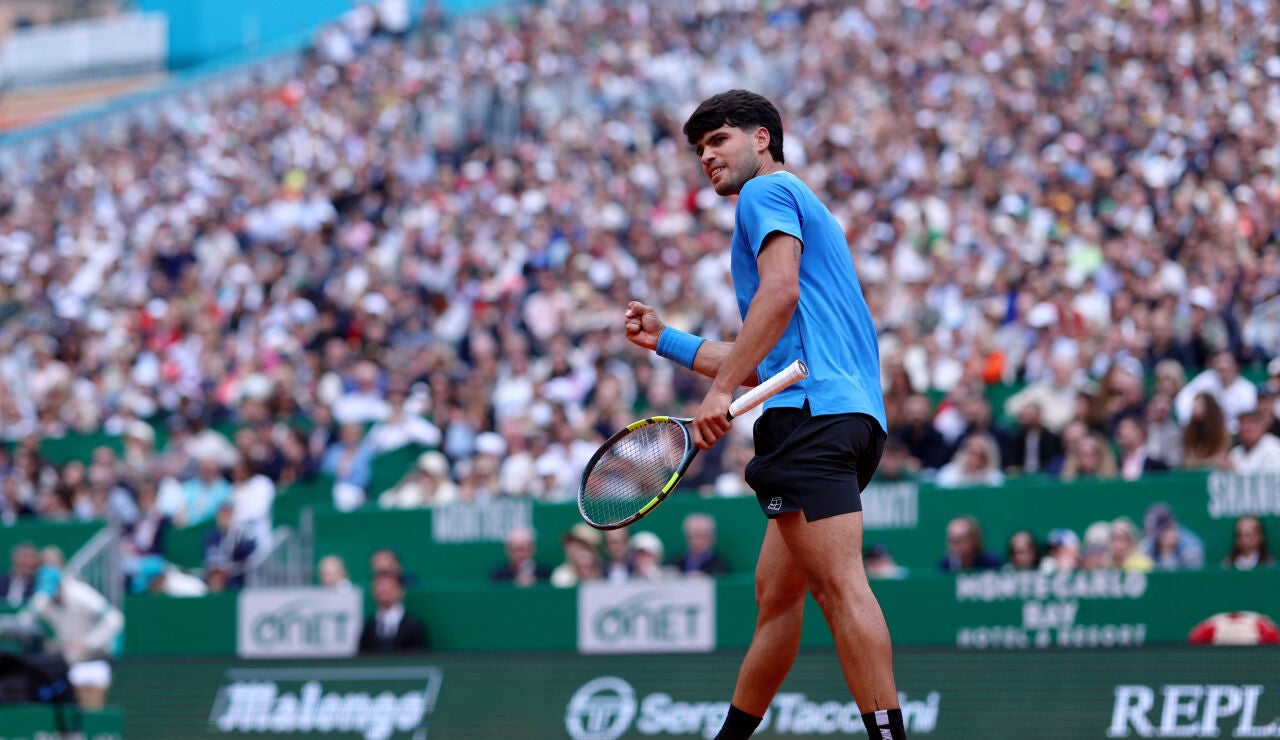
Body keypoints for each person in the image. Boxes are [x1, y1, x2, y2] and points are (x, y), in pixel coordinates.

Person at [624, 91, 904, 740]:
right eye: (699, 149)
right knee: (777, 601)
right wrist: (667, 340)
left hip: (811, 418)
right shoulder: (802, 203)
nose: (706, 156)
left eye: (718, 139)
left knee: (840, 587)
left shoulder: (764, 191)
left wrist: (718, 393)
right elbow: (770, 356)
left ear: (762, 139)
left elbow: (776, 295)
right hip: (842, 415)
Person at [23, 565, 123, 709]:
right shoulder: (42, 599)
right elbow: (25, 621)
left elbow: (114, 619)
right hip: (69, 658)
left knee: (91, 705)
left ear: (61, 586)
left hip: (96, 656)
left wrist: (88, 643)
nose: (51, 597)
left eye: (53, 591)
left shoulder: (82, 595)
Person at [358, 572, 427, 654]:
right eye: (379, 586)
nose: (383, 590)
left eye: (390, 587)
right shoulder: (369, 626)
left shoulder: (413, 625)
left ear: (400, 590)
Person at [670, 513, 730, 577]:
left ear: (712, 538)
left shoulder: (720, 564)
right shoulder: (676, 561)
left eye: (704, 536)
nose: (699, 542)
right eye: (695, 536)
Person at [550, 523, 604, 588]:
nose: (572, 548)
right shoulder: (562, 576)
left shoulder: (609, 572)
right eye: (570, 543)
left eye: (580, 545)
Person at [1227, 407, 1280, 473]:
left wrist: (1235, 469)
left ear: (1262, 427)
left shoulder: (1274, 447)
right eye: (1243, 424)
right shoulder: (1236, 452)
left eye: (1251, 424)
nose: (1246, 427)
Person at [0, 542, 39, 608]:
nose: (30, 562)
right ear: (15, 559)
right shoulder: (3, 579)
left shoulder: (38, 582)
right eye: (25, 557)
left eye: (33, 557)